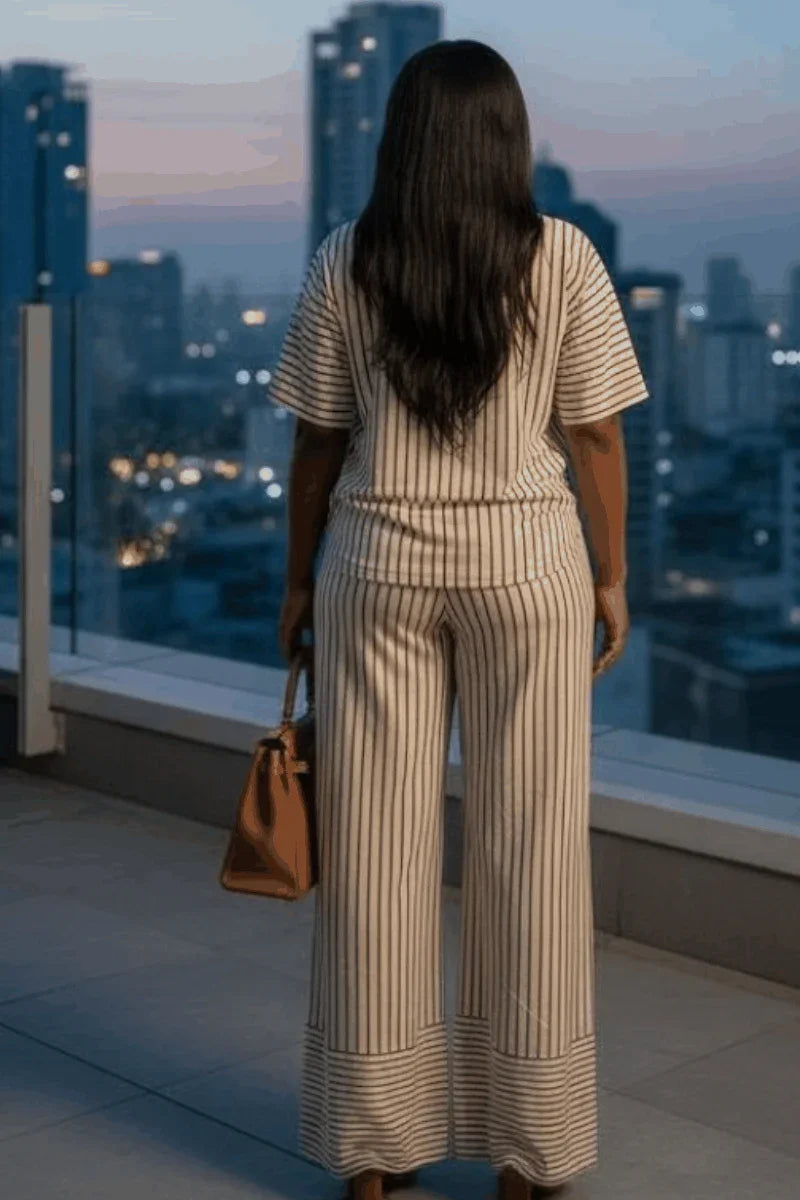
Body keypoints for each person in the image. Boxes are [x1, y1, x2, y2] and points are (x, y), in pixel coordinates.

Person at [272, 39, 649, 1200]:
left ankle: (376, 1150)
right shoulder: (564, 259)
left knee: (376, 855)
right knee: (529, 850)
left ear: (400, 142)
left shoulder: (348, 259)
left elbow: (316, 444)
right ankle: (531, 1156)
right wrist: (609, 572)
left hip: (376, 562)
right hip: (523, 568)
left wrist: (295, 582)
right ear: (506, 139)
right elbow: (592, 434)